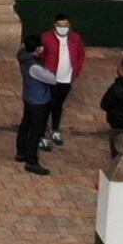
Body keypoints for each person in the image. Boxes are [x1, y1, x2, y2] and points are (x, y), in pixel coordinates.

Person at [14, 13, 84, 174]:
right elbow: (51, 79)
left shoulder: (24, 57)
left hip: (29, 96)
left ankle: (21, 152)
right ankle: (31, 160)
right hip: (38, 100)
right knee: (36, 129)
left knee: (25, 124)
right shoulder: (35, 66)